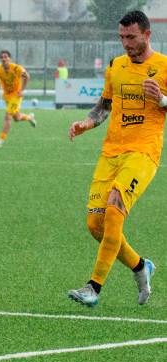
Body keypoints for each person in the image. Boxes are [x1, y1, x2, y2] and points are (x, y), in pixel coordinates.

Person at [67, 10, 165, 307]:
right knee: (95, 226)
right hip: (111, 152)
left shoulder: (163, 66)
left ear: (147, 35)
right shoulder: (116, 66)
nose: (125, 43)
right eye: (122, 37)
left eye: (131, 37)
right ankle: (139, 266)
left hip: (143, 151)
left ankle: (93, 287)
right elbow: (105, 104)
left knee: (113, 210)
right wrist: (87, 122)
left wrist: (161, 99)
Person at [0, 50, 36, 147]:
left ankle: (1, 140)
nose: (3, 59)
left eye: (5, 57)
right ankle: (30, 117)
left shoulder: (16, 68)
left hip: (16, 96)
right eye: (2, 57)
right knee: (16, 118)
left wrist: (22, 90)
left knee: (8, 115)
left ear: (9, 59)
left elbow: (27, 77)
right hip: (7, 96)